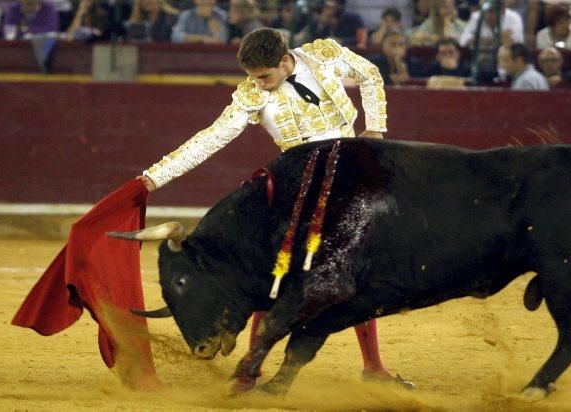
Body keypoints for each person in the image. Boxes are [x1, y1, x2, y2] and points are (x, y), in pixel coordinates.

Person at [138, 28, 411, 389]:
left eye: (264, 76)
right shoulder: (251, 95)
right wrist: (151, 179)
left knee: (355, 275)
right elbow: (209, 139)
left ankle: (374, 367)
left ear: (285, 60)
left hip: (350, 183)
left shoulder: (324, 55)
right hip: (299, 189)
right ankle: (251, 371)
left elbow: (370, 75)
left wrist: (375, 128)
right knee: (274, 277)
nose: (260, 85)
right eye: (253, 77)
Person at [459, 3, 525, 48]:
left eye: (492, 11)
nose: (488, 16)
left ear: (503, 11)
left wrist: (478, 40)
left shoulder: (514, 18)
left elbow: (512, 44)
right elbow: (464, 42)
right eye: (486, 11)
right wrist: (498, 37)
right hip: (479, 62)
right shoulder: (475, 17)